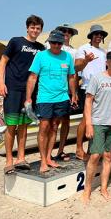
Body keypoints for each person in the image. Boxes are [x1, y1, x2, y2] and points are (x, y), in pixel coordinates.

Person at [0, 15, 45, 174]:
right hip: (12, 89)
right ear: (27, 28)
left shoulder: (41, 48)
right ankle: (9, 160)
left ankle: (21, 158)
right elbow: (2, 62)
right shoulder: (16, 41)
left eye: (38, 28)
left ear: (41, 30)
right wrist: (1, 82)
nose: (35, 30)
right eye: (32, 27)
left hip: (29, 92)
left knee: (24, 125)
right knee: (11, 125)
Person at [26, 30, 77, 173]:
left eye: (59, 43)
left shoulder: (67, 57)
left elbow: (72, 76)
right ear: (49, 42)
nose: (56, 45)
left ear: (62, 43)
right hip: (44, 98)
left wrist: (73, 94)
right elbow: (32, 77)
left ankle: (49, 157)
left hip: (62, 98)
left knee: (55, 126)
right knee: (44, 127)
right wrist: (28, 98)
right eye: (53, 42)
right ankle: (43, 160)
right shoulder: (41, 56)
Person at [82, 51, 111, 204]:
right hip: (98, 122)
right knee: (95, 156)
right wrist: (88, 124)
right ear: (107, 62)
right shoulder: (97, 77)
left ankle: (103, 188)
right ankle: (87, 189)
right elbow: (88, 101)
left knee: (108, 157)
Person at [45, 23, 79, 161]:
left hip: (66, 90)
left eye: (68, 31)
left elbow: (74, 74)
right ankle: (48, 153)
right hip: (50, 90)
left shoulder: (73, 51)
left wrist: (74, 92)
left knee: (65, 121)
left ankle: (60, 150)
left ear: (71, 34)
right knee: (51, 123)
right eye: (63, 31)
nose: (66, 33)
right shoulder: (49, 45)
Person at [74, 24, 108, 160]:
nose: (99, 36)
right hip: (87, 88)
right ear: (91, 35)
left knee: (96, 121)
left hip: (101, 89)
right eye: (96, 34)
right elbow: (76, 67)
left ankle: (90, 150)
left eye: (101, 34)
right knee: (85, 119)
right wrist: (86, 61)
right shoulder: (83, 48)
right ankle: (78, 149)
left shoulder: (103, 52)